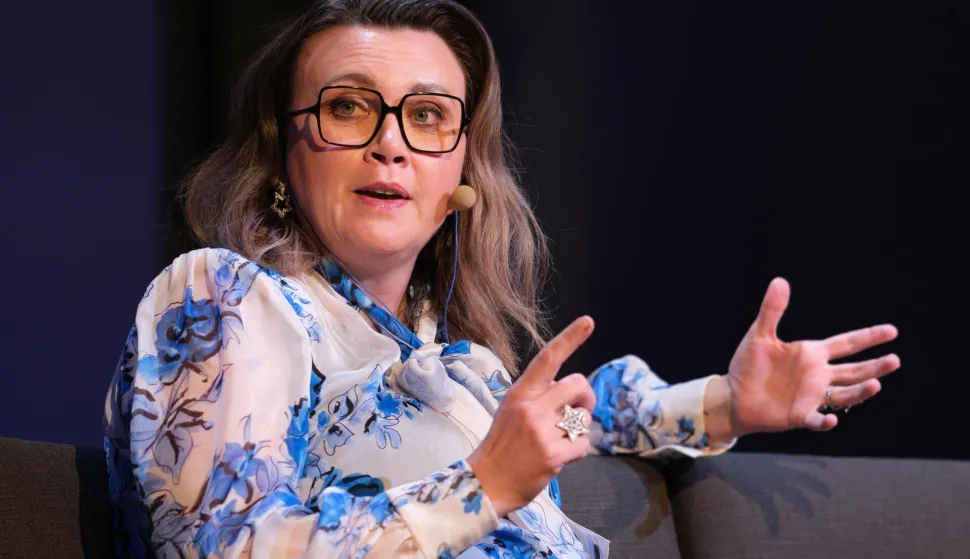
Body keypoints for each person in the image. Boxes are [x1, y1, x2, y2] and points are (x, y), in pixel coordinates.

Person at [103, 1, 901, 557]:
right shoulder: (222, 295)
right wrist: (482, 485)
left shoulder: (439, 352)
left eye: (427, 116)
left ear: (461, 170)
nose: (391, 144)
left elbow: (578, 417)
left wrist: (728, 402)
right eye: (348, 107)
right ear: (284, 147)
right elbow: (224, 545)